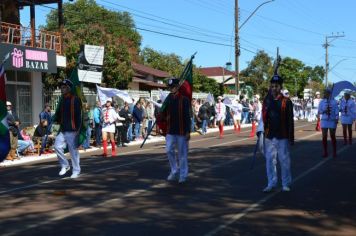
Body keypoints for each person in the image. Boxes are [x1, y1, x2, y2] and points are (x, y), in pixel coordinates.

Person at [257, 74, 294, 192]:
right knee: (269, 160)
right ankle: (271, 182)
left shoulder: (286, 102)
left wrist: (291, 137)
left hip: (282, 135)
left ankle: (285, 183)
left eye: (276, 86)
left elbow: (290, 120)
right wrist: (260, 132)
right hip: (269, 135)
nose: (274, 88)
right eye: (272, 86)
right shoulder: (267, 101)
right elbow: (262, 118)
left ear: (280, 87)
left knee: (284, 160)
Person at [161, 78, 191, 183]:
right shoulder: (167, 99)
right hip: (170, 130)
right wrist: (159, 116)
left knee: (182, 154)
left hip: (181, 130)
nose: (171, 89)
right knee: (168, 150)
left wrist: (188, 131)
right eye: (170, 87)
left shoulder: (184, 100)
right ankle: (174, 170)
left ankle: (183, 174)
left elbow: (187, 116)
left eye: (173, 87)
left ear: (178, 86)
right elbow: (163, 113)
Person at [53, 79, 82, 179]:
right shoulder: (62, 100)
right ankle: (65, 165)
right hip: (63, 129)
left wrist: (78, 129)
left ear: (69, 88)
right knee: (57, 146)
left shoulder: (75, 99)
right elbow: (59, 114)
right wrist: (55, 119)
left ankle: (76, 170)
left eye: (64, 87)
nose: (62, 89)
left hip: (73, 129)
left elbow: (79, 115)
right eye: (61, 87)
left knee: (73, 151)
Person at [317, 88, 339, 158]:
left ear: (330, 93)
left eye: (327, 93)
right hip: (324, 120)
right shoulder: (322, 102)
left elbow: (336, 111)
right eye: (325, 93)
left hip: (332, 120)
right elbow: (319, 111)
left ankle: (334, 152)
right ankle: (325, 152)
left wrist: (336, 119)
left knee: (332, 136)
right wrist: (324, 111)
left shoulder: (334, 102)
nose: (325, 94)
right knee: (324, 137)